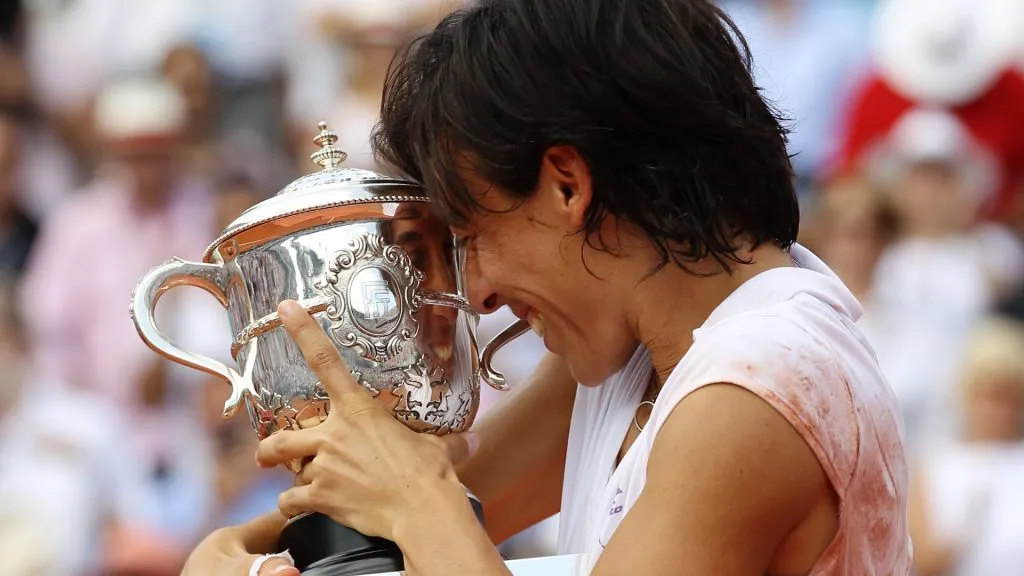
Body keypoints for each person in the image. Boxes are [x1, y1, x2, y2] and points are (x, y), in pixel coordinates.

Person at [183, 1, 911, 574]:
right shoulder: (639, 354)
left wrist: (413, 496)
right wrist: (252, 562)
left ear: (567, 185)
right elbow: (409, 526)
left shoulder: (751, 393)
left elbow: (425, 507)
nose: (479, 295)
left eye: (471, 236)